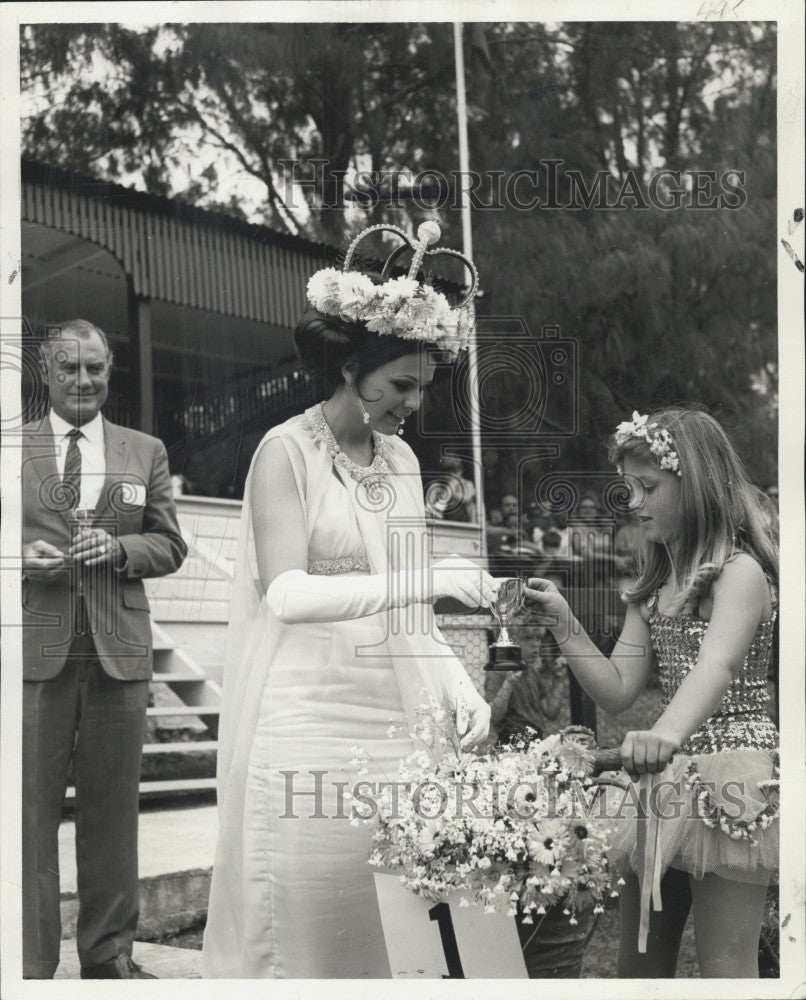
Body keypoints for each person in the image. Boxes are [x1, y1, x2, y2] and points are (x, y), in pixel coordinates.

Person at [202, 223, 497, 978]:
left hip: (391, 713)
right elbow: (290, 594)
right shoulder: (283, 452)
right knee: (306, 912)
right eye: (400, 385)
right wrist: (429, 578)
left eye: (425, 387)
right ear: (350, 368)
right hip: (304, 714)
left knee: (388, 919)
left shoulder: (399, 458)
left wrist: (461, 685)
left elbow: (409, 606)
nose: (413, 404)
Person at [524, 408, 778, 978]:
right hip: (666, 777)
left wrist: (663, 733)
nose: (633, 502)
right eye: (627, 489)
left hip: (733, 772)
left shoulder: (741, 573)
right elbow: (617, 690)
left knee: (725, 965)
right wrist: (564, 620)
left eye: (648, 487)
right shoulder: (656, 585)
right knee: (637, 962)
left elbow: (718, 664)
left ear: (696, 482)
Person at [21, 319, 187, 979]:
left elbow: (169, 544)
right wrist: (19, 561)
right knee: (28, 815)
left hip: (118, 654)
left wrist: (119, 549)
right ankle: (27, 961)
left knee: (113, 811)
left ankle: (108, 955)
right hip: (36, 655)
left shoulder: (144, 451)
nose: (84, 380)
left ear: (110, 370)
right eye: (70, 368)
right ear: (45, 372)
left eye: (95, 368)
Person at [484, 619, 565, 745]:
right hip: (509, 746)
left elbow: (550, 712)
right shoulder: (498, 672)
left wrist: (559, 680)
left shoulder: (532, 672)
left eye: (538, 639)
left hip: (535, 743)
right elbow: (493, 715)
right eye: (528, 639)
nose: (535, 645)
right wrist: (509, 683)